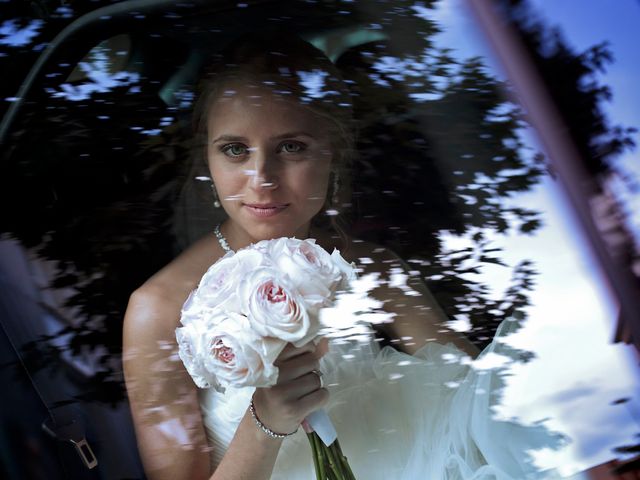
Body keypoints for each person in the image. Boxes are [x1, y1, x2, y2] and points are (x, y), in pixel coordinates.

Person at [123, 33, 558, 480]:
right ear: (208, 159)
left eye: (291, 147)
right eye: (235, 149)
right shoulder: (159, 309)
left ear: (333, 152)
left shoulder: (373, 267)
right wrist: (266, 422)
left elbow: (485, 403)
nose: (262, 178)